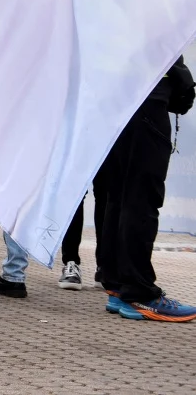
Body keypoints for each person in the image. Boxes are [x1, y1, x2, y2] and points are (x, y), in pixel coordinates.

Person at [94, 57, 196, 321]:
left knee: (118, 196)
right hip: (147, 101)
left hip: (115, 103)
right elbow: (165, 45)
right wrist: (184, 86)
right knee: (141, 200)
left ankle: (118, 286)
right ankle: (139, 293)